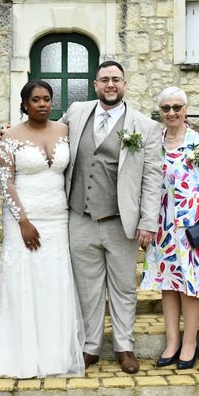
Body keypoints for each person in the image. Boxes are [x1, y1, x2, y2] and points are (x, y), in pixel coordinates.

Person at [61, 60, 161, 374]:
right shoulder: (77, 112)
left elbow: (152, 178)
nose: (110, 85)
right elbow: (47, 133)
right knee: (87, 288)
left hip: (121, 220)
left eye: (116, 79)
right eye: (104, 79)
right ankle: (90, 346)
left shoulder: (145, 126)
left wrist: (148, 221)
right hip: (80, 217)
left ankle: (124, 345)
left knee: (123, 287)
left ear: (125, 84)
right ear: (95, 84)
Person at [0, 80, 85, 378]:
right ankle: (20, 356)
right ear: (24, 103)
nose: (42, 104)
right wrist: (23, 221)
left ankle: (54, 355)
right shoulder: (9, 136)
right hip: (23, 221)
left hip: (58, 219)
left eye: (47, 99)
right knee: (23, 282)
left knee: (54, 282)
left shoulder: (66, 131)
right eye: (36, 99)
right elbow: (6, 181)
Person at [140, 87, 199, 370]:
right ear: (160, 112)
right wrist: (145, 222)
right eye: (166, 108)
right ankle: (172, 341)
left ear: (185, 110)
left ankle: (189, 343)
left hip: (192, 224)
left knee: (191, 285)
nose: (172, 113)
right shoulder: (154, 142)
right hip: (162, 224)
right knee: (168, 284)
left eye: (177, 107)